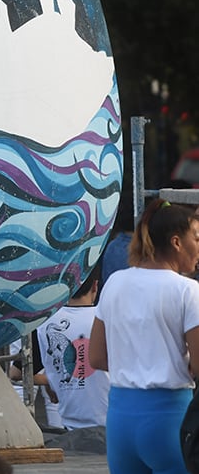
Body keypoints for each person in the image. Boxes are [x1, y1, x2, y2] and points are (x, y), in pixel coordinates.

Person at [90, 198, 199, 474]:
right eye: (196, 238)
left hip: (120, 418)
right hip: (170, 417)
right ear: (176, 242)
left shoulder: (114, 283)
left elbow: (96, 357)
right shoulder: (187, 291)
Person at [33, 267, 109, 429]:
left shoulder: (44, 323)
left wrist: (53, 379)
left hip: (71, 429)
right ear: (95, 286)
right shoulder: (106, 318)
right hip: (113, 426)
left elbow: (17, 374)